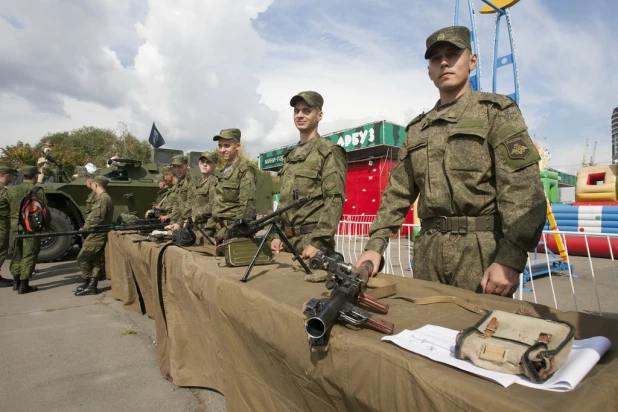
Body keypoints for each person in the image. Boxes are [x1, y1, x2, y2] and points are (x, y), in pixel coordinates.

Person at [354, 26, 546, 297]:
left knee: (478, 332)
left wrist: (510, 258)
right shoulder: (418, 129)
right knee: (426, 331)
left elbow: (523, 188)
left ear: (472, 61)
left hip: (482, 252)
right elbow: (397, 193)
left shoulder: (496, 113)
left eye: (453, 54)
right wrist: (375, 246)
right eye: (436, 58)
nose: (444, 62)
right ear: (430, 71)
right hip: (428, 252)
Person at [270, 91, 347, 259]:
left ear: (319, 115)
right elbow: (283, 201)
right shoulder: (289, 157)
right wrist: (276, 235)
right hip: (286, 243)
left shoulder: (328, 151)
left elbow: (334, 200)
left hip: (312, 243)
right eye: (296, 111)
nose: (300, 115)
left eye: (306, 111)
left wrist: (318, 242)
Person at [206, 128, 255, 242]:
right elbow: (217, 203)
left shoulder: (244, 171)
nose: (222, 150)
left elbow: (247, 205)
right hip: (218, 230)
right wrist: (195, 217)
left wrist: (232, 231)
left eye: (226, 146)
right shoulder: (224, 171)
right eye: (220, 146)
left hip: (233, 235)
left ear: (237, 146)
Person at [8, 166, 48, 294]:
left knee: (17, 253)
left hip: (15, 226)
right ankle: (24, 284)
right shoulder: (38, 190)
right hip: (31, 226)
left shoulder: (11, 190)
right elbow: (44, 210)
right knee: (29, 254)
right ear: (36, 176)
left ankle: (16, 281)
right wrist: (45, 226)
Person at [75, 176, 113, 296]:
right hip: (98, 232)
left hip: (97, 233)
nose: (90, 185)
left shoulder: (103, 199)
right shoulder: (103, 198)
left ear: (96, 185)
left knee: (83, 258)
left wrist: (85, 228)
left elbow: (97, 217)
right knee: (96, 260)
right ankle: (91, 285)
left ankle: (88, 281)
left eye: (92, 184)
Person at [166, 151, 218, 232]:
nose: (205, 164)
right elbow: (191, 204)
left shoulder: (215, 182)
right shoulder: (200, 183)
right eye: (202, 162)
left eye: (209, 162)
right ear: (199, 164)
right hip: (194, 226)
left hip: (205, 228)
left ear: (215, 165)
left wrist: (194, 217)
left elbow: (213, 205)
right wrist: (179, 222)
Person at [165, 155, 198, 227]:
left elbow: (191, 203)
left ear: (187, 166)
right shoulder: (179, 181)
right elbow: (176, 203)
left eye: (179, 167)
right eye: (174, 167)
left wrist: (179, 223)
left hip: (188, 222)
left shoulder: (192, 179)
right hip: (180, 220)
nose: (177, 170)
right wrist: (173, 221)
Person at [0, 167, 19, 287]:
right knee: (1, 247)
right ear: (7, 175)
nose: (13, 179)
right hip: (1, 221)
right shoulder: (4, 190)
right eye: (12, 176)